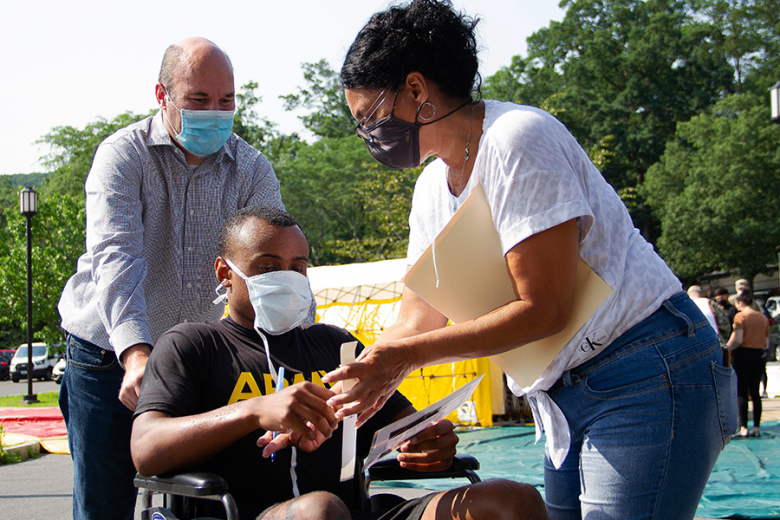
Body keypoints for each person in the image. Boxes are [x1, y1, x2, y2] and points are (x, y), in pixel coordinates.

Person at [323, 1, 738, 518]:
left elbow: (544, 309)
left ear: (415, 89)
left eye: (369, 117)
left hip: (643, 369)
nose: (368, 136)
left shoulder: (517, 139)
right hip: (566, 393)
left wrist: (405, 359)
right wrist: (361, 378)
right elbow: (417, 316)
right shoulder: (432, 187)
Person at [130, 205, 547, 520]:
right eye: (268, 267)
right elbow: (146, 449)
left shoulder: (336, 346)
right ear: (225, 272)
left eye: (298, 267)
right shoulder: (193, 345)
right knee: (319, 511)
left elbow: (403, 428)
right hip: (251, 513)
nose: (288, 278)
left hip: (357, 511)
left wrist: (429, 443)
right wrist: (255, 409)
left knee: (513, 501)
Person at [57, 38, 285, 520]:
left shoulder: (252, 168)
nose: (215, 113)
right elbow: (116, 260)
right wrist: (137, 354)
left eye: (227, 101)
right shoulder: (123, 156)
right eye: (198, 101)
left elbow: (271, 265)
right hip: (109, 357)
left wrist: (289, 351)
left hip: (196, 360)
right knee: (106, 504)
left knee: (207, 502)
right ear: (162, 96)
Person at [727, 292, 770, 437]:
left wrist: (727, 348)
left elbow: (738, 339)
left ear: (740, 303)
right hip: (758, 356)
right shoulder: (763, 318)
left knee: (742, 392)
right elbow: (765, 342)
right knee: (756, 392)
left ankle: (744, 427)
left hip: (743, 355)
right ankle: (756, 427)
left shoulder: (741, 316)